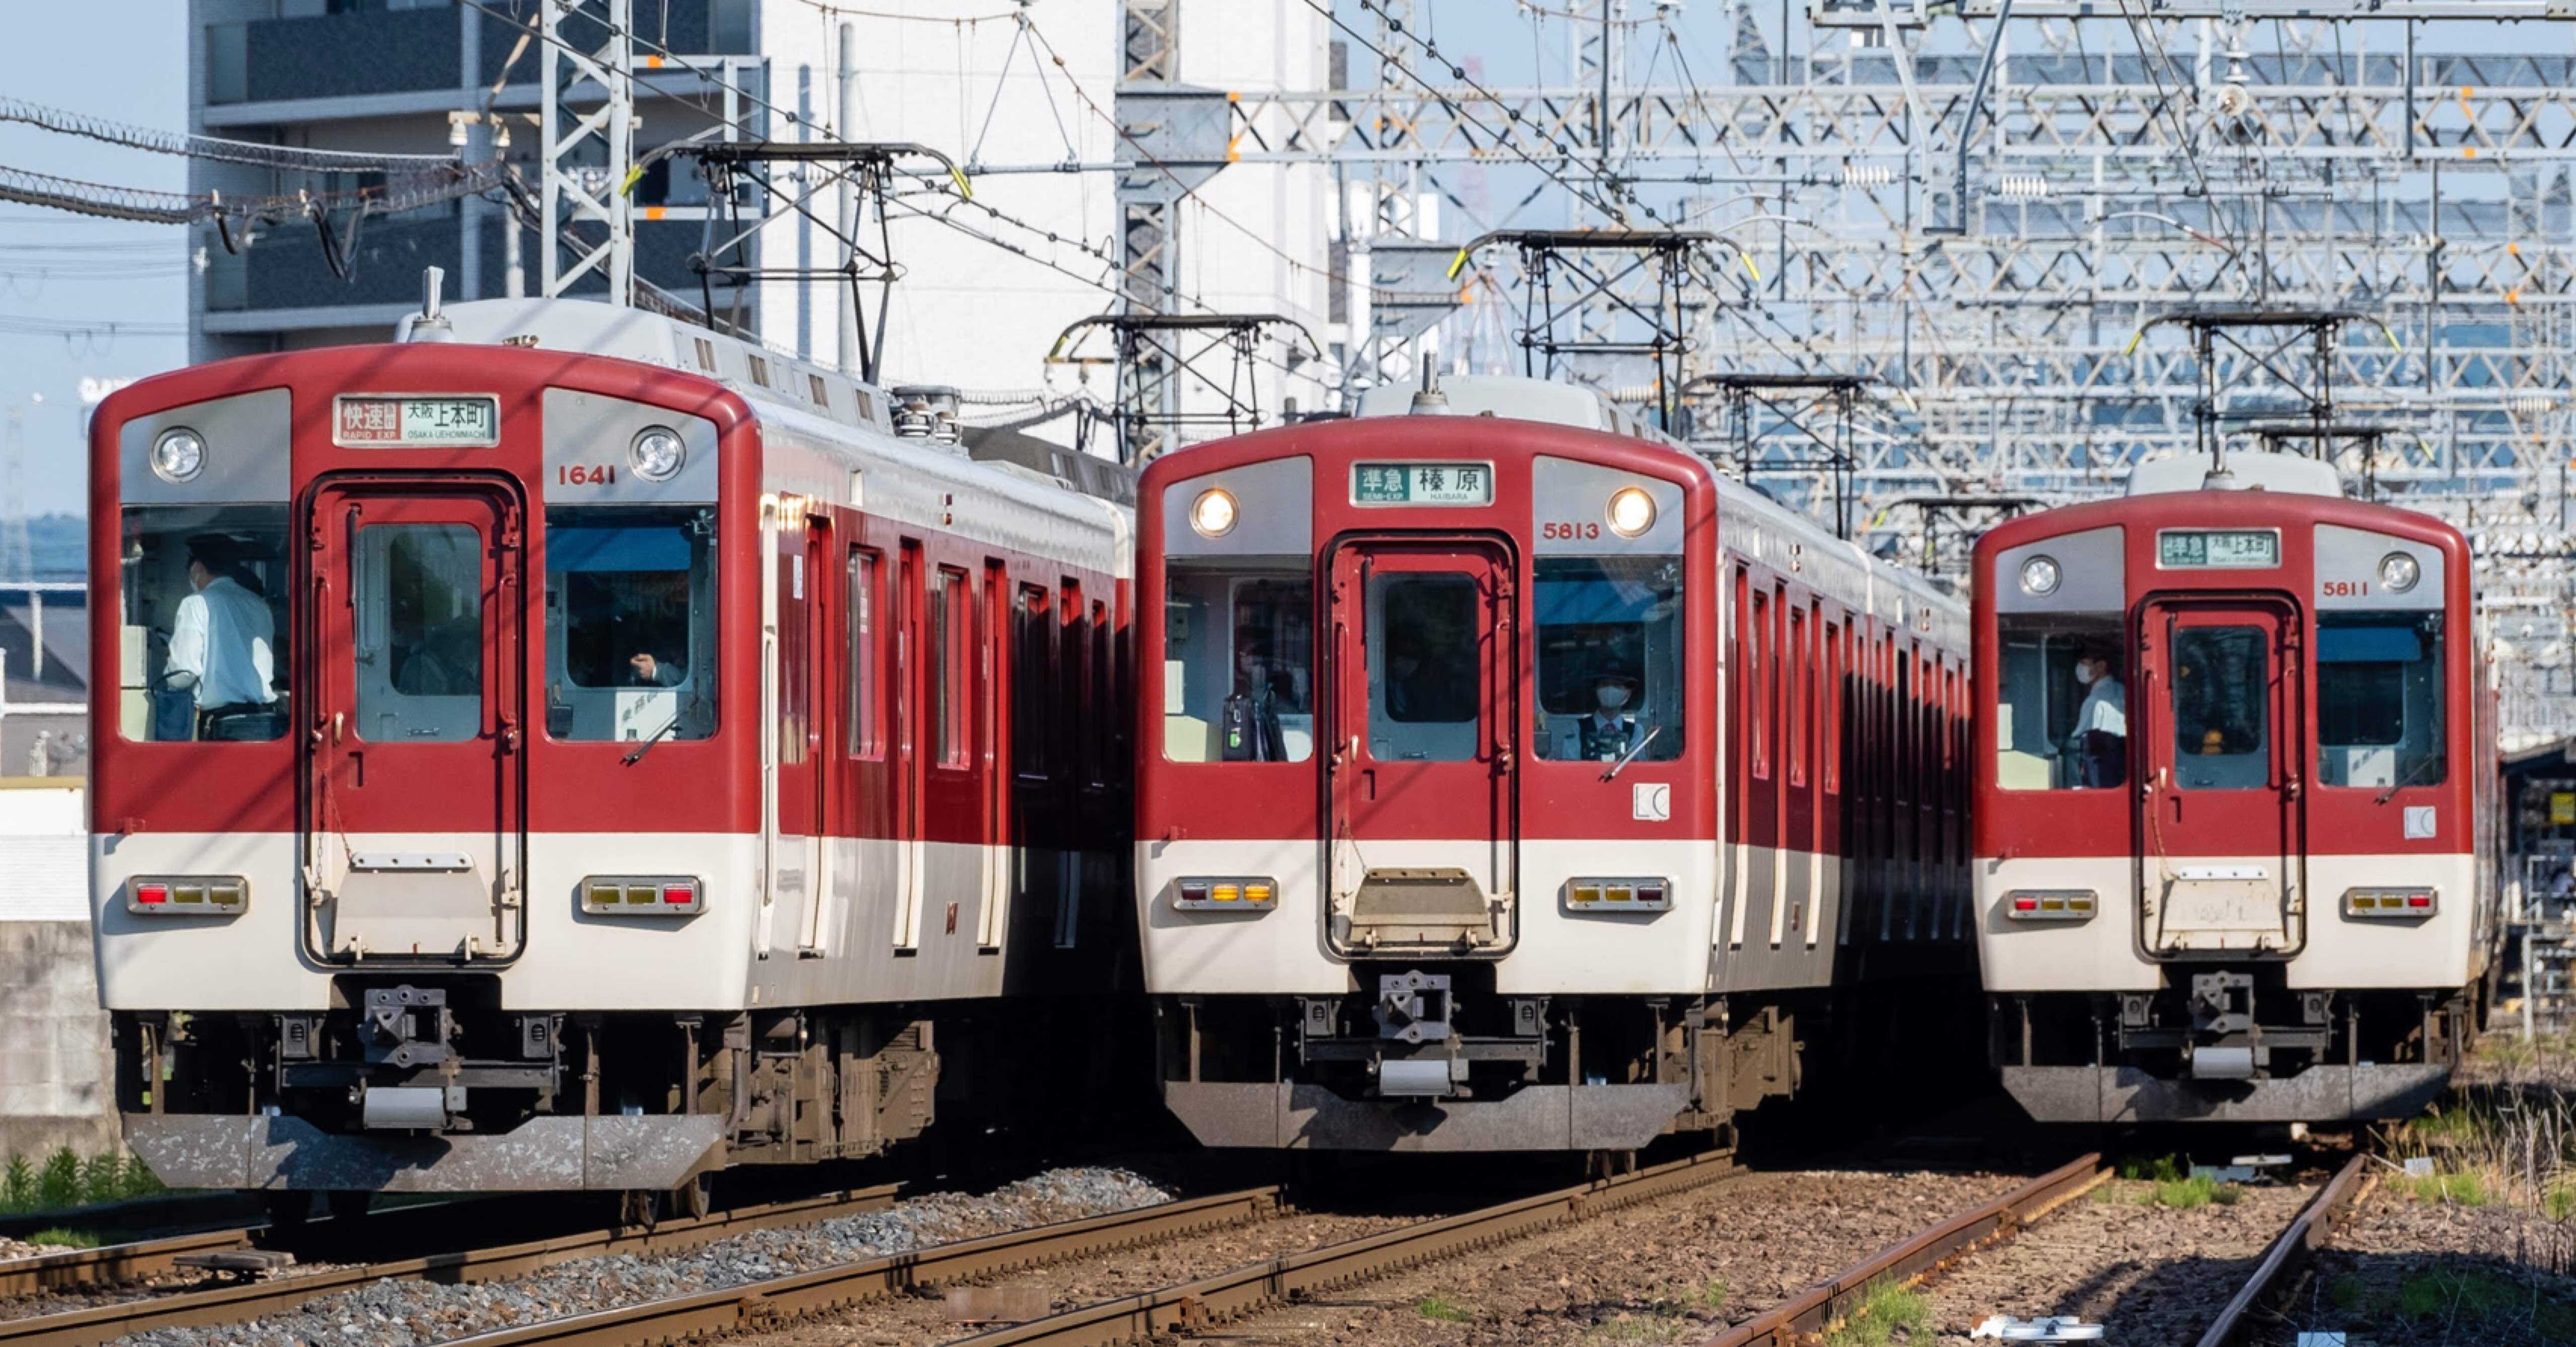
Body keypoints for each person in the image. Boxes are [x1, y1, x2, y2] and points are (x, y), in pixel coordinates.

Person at [164, 537, 277, 738]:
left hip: (223, 725)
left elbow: (184, 673)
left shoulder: (196, 603)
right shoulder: (259, 604)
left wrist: (168, 677)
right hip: (265, 721)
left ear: (197, 568)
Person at [2069, 643, 2126, 788]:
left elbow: (2085, 749)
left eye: (2084, 663)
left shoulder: (2095, 703)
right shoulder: (2123, 691)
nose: (2080, 668)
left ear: (2101, 666)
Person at [1221, 638, 1287, 762]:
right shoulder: (1235, 689)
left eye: (1253, 656)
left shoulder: (1273, 692)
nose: (1247, 659)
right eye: (1243, 655)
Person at [1578, 665, 1644, 763]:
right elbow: (1570, 765)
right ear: (1597, 690)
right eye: (1604, 685)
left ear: (1628, 693)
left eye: (1617, 685)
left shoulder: (1636, 731)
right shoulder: (1578, 728)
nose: (1610, 690)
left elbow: (1640, 769)